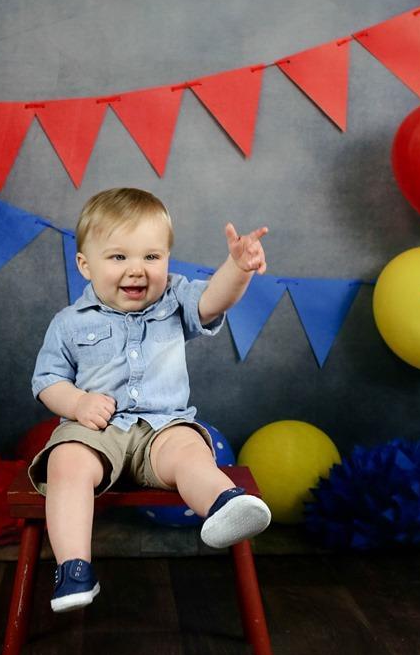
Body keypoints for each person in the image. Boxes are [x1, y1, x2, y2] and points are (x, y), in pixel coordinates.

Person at [29, 187, 271, 612]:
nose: (137, 270)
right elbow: (47, 380)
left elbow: (213, 301)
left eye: (152, 257)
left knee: (192, 451)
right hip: (94, 432)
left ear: (167, 260)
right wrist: (77, 403)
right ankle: (73, 567)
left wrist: (237, 268)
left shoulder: (175, 299)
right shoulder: (68, 323)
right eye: (118, 257)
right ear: (85, 265)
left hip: (164, 428)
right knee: (66, 461)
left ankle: (223, 504)